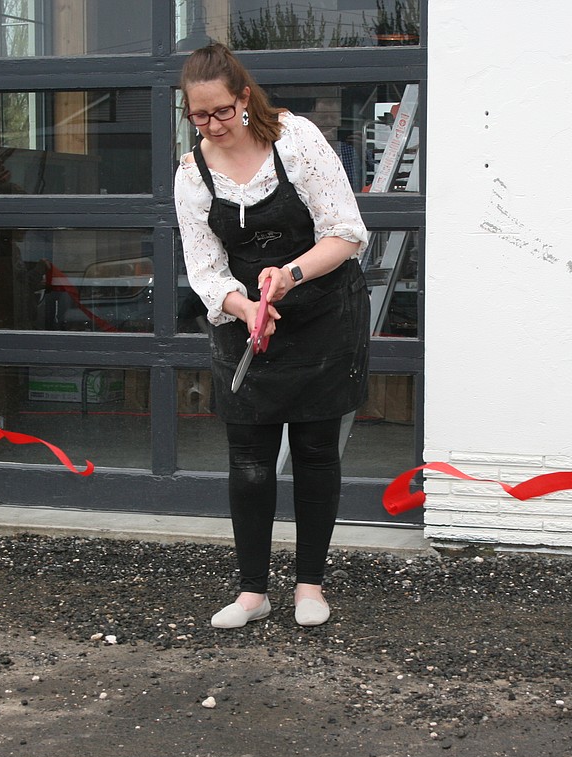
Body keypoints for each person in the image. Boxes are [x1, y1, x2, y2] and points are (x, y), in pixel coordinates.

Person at [174, 43, 370, 629]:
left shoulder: (297, 140)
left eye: (221, 113)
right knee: (250, 460)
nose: (212, 127)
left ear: (244, 98)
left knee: (314, 452)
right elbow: (205, 270)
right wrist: (244, 306)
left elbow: (346, 232)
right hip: (247, 320)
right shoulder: (193, 172)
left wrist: (287, 276)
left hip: (321, 311)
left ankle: (310, 586)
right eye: (199, 116)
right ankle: (252, 592)